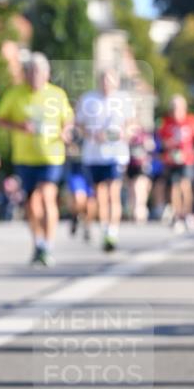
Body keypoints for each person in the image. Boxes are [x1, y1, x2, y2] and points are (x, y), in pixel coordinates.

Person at [0, 53, 73, 266]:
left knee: (47, 196)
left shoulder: (57, 94)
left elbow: (68, 119)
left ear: (47, 74)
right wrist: (18, 126)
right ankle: (38, 243)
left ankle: (48, 245)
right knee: (31, 204)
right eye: (30, 72)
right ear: (25, 74)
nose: (35, 76)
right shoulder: (15, 93)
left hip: (51, 155)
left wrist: (65, 131)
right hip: (25, 157)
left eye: (39, 72)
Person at [74, 70, 134, 252]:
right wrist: (92, 135)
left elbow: (131, 124)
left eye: (110, 80)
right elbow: (79, 124)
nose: (106, 84)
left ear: (116, 82)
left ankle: (112, 232)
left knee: (113, 193)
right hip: (94, 155)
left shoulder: (123, 99)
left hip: (116, 154)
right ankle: (104, 227)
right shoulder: (88, 99)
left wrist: (120, 134)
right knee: (99, 195)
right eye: (104, 80)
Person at [158, 95, 194, 231]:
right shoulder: (166, 122)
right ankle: (177, 215)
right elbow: (162, 140)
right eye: (173, 108)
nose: (175, 111)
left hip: (187, 159)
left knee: (185, 186)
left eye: (178, 108)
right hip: (172, 159)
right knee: (174, 187)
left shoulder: (191, 120)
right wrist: (169, 145)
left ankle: (187, 213)